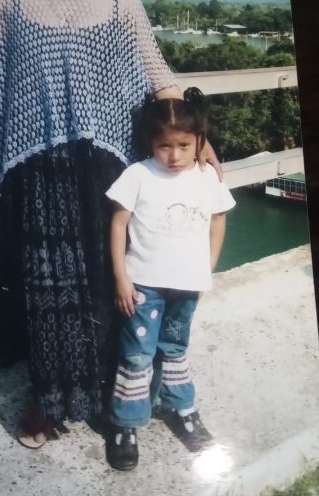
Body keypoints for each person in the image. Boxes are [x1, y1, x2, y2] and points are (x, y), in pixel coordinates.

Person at [0, 0, 220, 448]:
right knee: (44, 286)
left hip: (107, 163)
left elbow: (154, 68)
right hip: (35, 164)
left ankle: (106, 395)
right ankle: (46, 401)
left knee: (109, 282)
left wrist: (203, 142)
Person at [105, 89, 235, 471]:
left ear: (199, 142)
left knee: (176, 348)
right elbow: (118, 225)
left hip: (186, 286)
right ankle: (125, 423)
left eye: (184, 145)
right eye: (164, 145)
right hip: (142, 285)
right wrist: (121, 278)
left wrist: (206, 266)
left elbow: (218, 219)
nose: (174, 156)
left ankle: (182, 408)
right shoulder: (138, 174)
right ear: (150, 142)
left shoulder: (206, 176)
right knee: (137, 355)